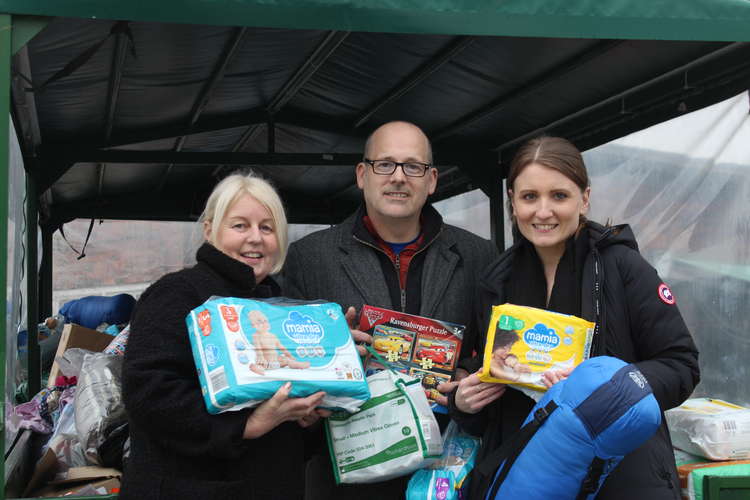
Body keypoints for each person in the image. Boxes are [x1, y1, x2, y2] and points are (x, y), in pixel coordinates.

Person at [449, 136, 700, 500]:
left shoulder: (622, 267)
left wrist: (605, 388)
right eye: (529, 196)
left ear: (584, 199)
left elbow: (681, 366)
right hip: (527, 478)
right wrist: (464, 402)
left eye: (560, 196)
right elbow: (484, 368)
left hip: (619, 475)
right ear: (513, 203)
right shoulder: (495, 280)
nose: (544, 211)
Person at [284, 120, 499, 500]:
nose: (398, 177)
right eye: (385, 164)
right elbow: (286, 363)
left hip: (447, 473)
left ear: (431, 179)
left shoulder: (478, 255)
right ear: (362, 175)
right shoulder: (310, 257)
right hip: (345, 475)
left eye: (412, 166)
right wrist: (330, 356)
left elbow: (495, 353)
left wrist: (469, 374)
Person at [120, 173, 327, 500]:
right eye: (240, 225)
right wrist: (246, 425)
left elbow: (285, 420)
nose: (256, 238)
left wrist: (309, 410)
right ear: (209, 230)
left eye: (267, 227)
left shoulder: (279, 306)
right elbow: (148, 393)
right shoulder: (177, 294)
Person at [247, 309, 311, 374]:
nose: (264, 324)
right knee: (258, 364)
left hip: (276, 363)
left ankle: (296, 364)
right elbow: (258, 350)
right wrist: (261, 358)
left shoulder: (273, 336)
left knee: (286, 359)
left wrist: (289, 355)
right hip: (265, 363)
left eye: (265, 321)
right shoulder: (256, 336)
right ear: (253, 326)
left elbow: (282, 347)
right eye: (260, 322)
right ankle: (256, 368)